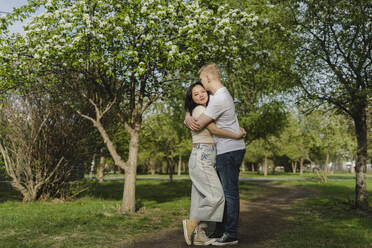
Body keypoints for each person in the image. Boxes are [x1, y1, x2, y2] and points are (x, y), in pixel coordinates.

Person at [184, 63, 246, 246]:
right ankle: (219, 230)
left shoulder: (218, 99)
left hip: (228, 150)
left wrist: (190, 115)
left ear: (208, 79)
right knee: (221, 194)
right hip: (219, 151)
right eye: (197, 92)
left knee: (227, 194)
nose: (202, 90)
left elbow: (205, 125)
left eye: (203, 83)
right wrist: (188, 113)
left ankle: (228, 232)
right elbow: (196, 110)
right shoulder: (217, 96)